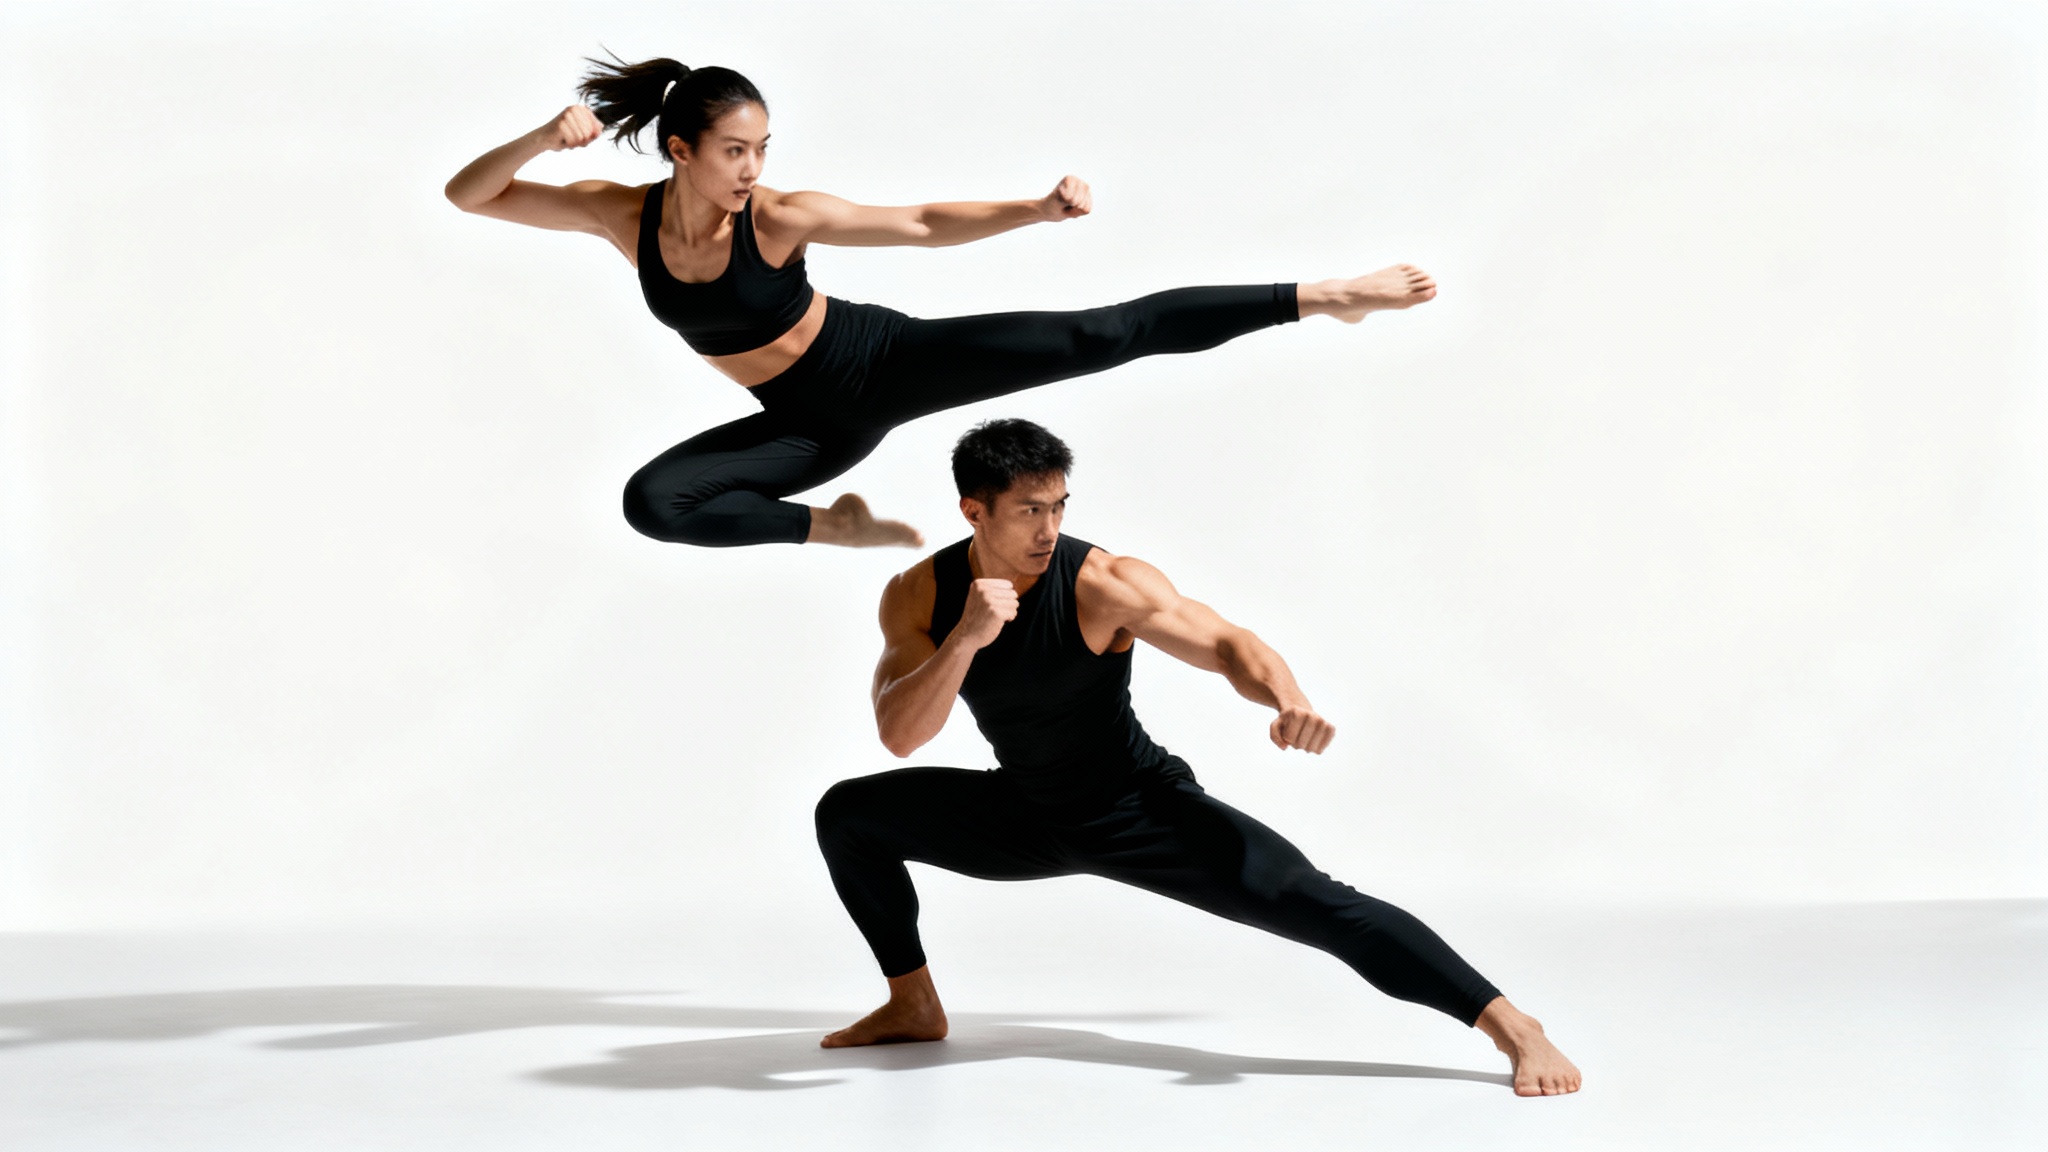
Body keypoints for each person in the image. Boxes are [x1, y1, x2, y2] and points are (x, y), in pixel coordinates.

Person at [813, 419, 1583, 1096]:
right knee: (849, 814)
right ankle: (913, 1003)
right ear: (973, 511)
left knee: (1314, 900)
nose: (1048, 529)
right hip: (1025, 811)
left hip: (1139, 809)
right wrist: (966, 639)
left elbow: (1227, 643)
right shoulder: (919, 595)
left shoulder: (1104, 582)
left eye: (1058, 507)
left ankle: (1513, 1025)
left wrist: (1286, 698)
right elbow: (901, 733)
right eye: (1027, 511)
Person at [444, 56, 1438, 550]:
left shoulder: (780, 215)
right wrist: (541, 135)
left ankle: (1324, 295)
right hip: (803, 432)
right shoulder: (619, 218)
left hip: (877, 366)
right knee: (652, 506)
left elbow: (918, 221)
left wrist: (1031, 211)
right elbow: (471, 195)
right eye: (733, 150)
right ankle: (831, 529)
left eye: (761, 147)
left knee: (1101, 333)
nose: (751, 167)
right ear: (681, 151)